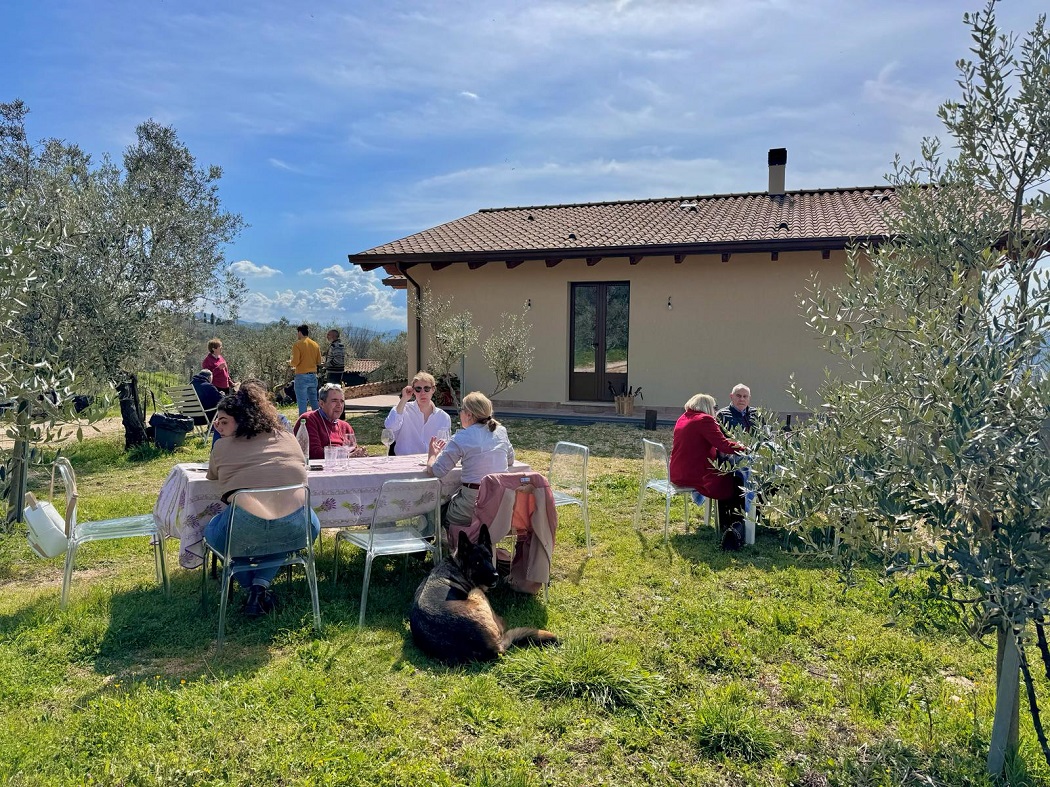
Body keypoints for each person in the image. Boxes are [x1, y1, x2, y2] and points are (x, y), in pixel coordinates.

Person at [204, 384, 321, 616]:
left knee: (215, 534)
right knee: (281, 533)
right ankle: (260, 588)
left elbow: (212, 476)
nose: (218, 424)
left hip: (242, 528)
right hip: (299, 527)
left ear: (240, 419)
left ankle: (250, 588)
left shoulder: (222, 446)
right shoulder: (288, 437)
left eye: (223, 420)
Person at [669, 393, 748, 551]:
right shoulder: (705, 420)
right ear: (707, 407)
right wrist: (746, 448)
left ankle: (728, 524)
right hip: (695, 473)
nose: (715, 410)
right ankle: (736, 525)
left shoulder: (683, 418)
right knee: (735, 479)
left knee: (727, 476)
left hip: (678, 471)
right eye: (714, 407)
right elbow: (723, 444)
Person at [427, 391, 515, 528]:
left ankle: (443, 546)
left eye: (461, 410)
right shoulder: (501, 431)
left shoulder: (462, 437)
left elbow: (437, 471)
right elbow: (510, 460)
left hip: (471, 505)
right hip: (499, 505)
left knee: (433, 511)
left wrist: (432, 455)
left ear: (469, 414)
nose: (459, 414)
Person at [293, 383, 368, 461]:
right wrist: (345, 455)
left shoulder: (345, 426)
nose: (339, 405)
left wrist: (359, 453)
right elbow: (313, 453)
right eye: (334, 401)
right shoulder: (309, 419)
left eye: (342, 401)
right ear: (321, 403)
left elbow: (353, 450)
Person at [384, 371, 452, 455]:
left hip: (432, 462)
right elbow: (390, 426)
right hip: (404, 463)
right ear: (413, 391)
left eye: (427, 388)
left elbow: (446, 445)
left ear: (433, 389)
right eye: (418, 389)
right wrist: (404, 399)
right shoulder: (402, 409)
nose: (422, 393)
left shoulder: (444, 417)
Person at [289, 324, 323, 416]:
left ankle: (303, 423)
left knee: (302, 402)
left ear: (300, 332)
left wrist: (289, 362)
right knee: (314, 401)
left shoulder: (297, 344)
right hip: (313, 376)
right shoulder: (315, 344)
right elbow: (319, 361)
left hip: (301, 376)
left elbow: (295, 362)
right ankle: (319, 420)